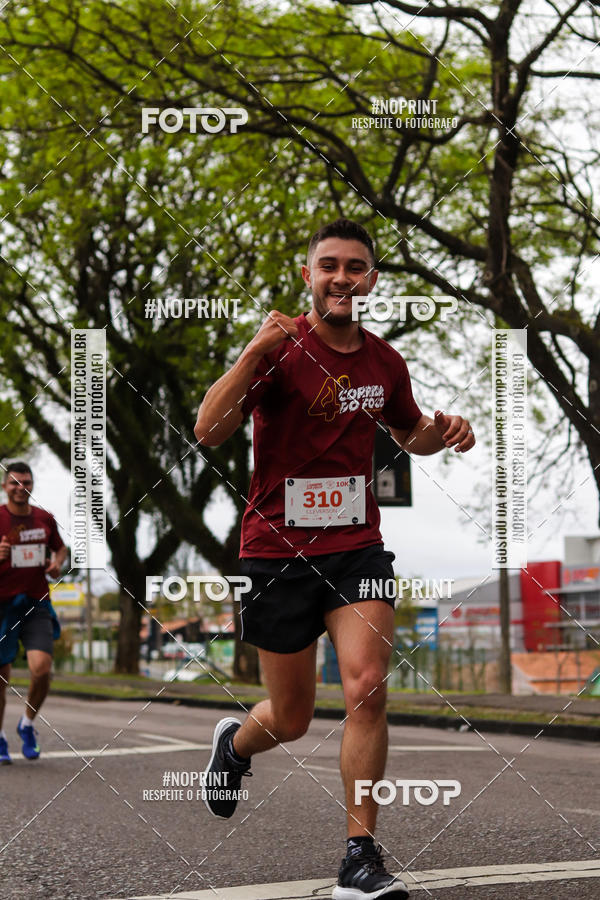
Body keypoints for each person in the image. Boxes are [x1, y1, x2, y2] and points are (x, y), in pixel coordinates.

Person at [194, 219, 475, 899]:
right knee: (290, 719)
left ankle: (358, 857)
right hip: (275, 551)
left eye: (355, 267)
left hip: (357, 551)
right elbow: (207, 429)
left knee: (366, 685)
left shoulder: (384, 363)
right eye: (329, 266)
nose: (341, 278)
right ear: (308, 277)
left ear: (372, 280)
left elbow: (410, 434)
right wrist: (253, 351)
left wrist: (444, 431)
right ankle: (235, 747)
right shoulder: (280, 352)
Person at [0, 461, 66, 764]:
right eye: (14, 482)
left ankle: (27, 725)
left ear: (32, 485)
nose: (20, 487)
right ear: (5, 487)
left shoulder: (44, 519)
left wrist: (57, 563)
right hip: (2, 606)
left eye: (25, 481)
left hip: (35, 603)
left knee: (41, 669)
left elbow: (60, 549)